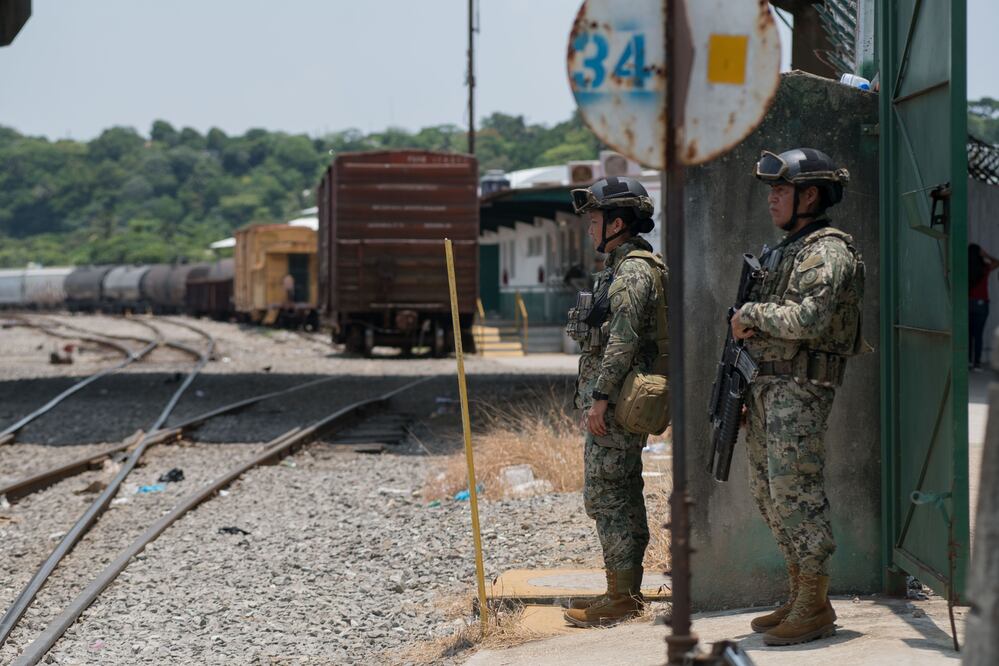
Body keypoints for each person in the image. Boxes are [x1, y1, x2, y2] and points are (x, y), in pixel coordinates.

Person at [730, 148, 864, 646]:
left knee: (796, 492)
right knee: (769, 495)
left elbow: (810, 319)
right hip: (771, 387)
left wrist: (751, 315)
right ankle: (801, 592)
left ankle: (814, 601)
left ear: (810, 195)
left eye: (780, 191)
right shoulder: (789, 248)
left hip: (800, 389)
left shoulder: (826, 250)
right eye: (771, 191)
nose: (771, 200)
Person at [562, 176, 668, 628]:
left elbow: (621, 343)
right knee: (620, 491)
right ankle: (623, 589)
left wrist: (600, 399)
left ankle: (620, 595)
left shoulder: (632, 272)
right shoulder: (626, 267)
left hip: (618, 401)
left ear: (618, 223)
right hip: (621, 398)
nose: (589, 230)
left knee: (608, 494)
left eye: (595, 221)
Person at [969, 243, 997, 370]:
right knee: (978, 334)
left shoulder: (966, 268)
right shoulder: (984, 267)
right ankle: (977, 364)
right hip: (981, 304)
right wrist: (985, 254)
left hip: (967, 303)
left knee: (968, 334)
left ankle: (968, 361)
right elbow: (997, 262)